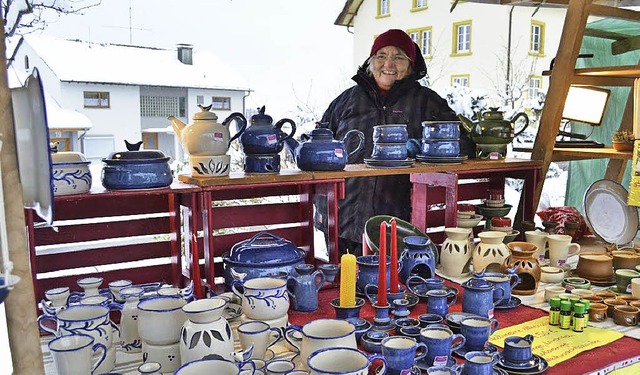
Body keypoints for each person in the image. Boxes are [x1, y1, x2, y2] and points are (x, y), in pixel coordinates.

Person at [314, 29, 460, 256]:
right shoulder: (346, 101)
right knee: (341, 285)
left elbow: (461, 142)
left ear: (411, 65)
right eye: (381, 55)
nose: (388, 63)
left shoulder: (427, 102)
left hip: (398, 224)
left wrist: (417, 147)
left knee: (390, 287)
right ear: (371, 61)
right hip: (342, 218)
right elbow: (319, 144)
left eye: (399, 57)